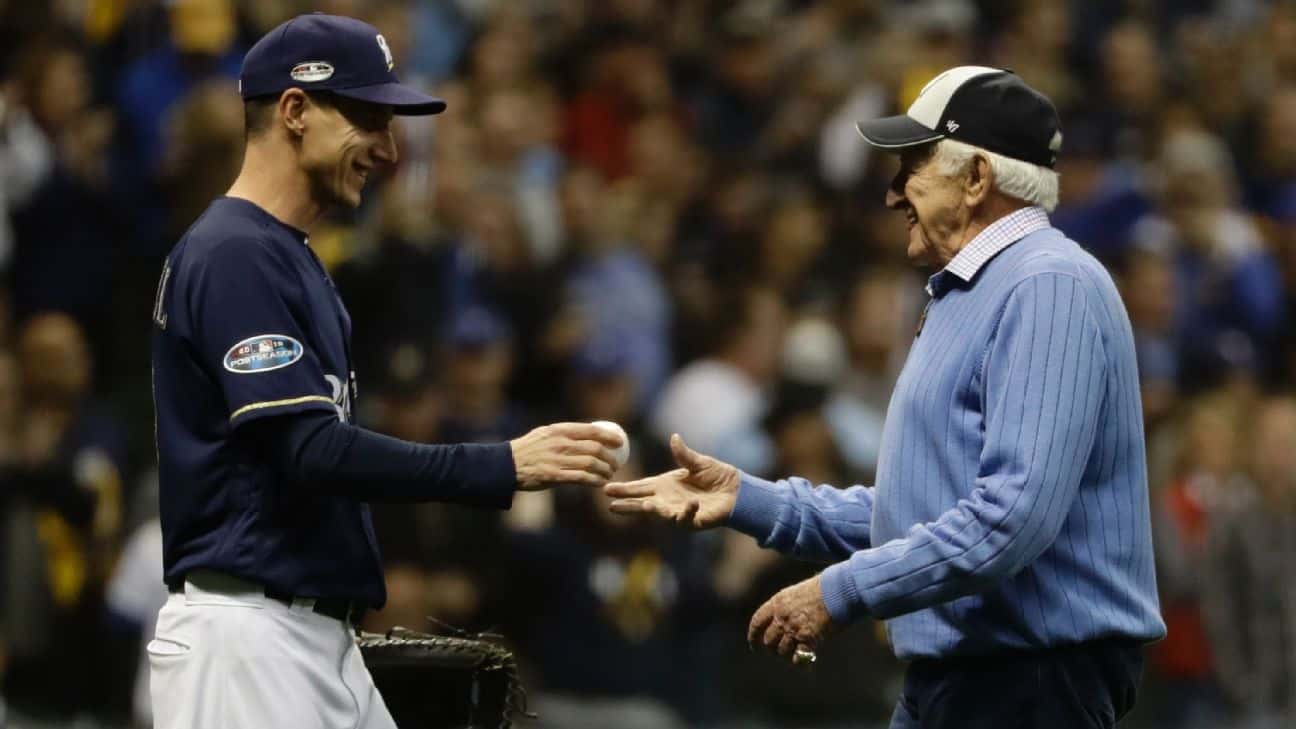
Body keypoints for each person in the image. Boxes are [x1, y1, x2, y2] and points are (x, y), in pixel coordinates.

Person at [607, 66, 1166, 729]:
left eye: (913, 166)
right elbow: (922, 507)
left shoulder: (1047, 284)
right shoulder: (970, 291)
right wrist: (749, 500)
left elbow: (1009, 518)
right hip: (966, 678)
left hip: (1031, 682)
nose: (893, 192)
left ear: (978, 178)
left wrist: (840, 592)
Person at [148, 14, 622, 729]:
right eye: (370, 118)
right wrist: (498, 464)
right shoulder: (234, 253)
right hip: (247, 636)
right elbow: (309, 449)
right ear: (294, 110)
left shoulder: (293, 258)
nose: (390, 147)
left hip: (307, 633)